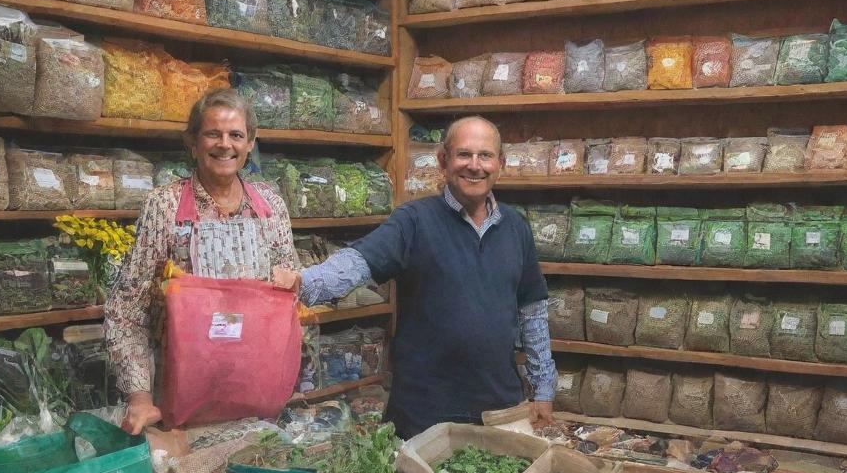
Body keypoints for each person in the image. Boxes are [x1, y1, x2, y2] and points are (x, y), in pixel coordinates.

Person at [301, 115, 557, 437]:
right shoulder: (415, 221)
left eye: (485, 156)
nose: (474, 165)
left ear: (500, 164)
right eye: (464, 154)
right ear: (443, 160)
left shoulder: (516, 227)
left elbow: (533, 311)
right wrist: (303, 283)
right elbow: (357, 261)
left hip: (499, 405)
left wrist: (543, 388)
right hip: (424, 410)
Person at [106, 89, 301, 435]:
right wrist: (139, 397)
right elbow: (126, 308)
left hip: (256, 396)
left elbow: (290, 290)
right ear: (193, 143)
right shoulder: (164, 206)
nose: (225, 144)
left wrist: (292, 285)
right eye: (213, 133)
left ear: (250, 143)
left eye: (236, 135)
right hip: (184, 398)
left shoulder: (270, 205)